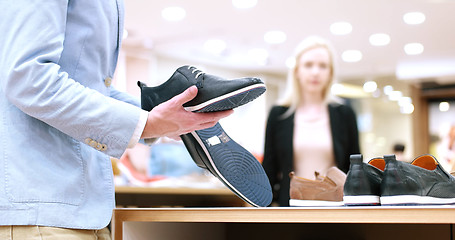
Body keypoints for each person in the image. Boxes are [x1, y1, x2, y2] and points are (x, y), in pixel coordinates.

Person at [0, 1, 232, 239]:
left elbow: (93, 87)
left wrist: (156, 118)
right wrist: (146, 123)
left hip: (83, 212)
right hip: (42, 209)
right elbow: (28, 78)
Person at [262, 36, 360, 206]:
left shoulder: (344, 114)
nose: (315, 72)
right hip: (291, 206)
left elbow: (355, 169)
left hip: (336, 207)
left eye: (323, 66)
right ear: (297, 71)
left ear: (330, 73)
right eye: (308, 65)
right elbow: (269, 169)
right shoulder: (278, 114)